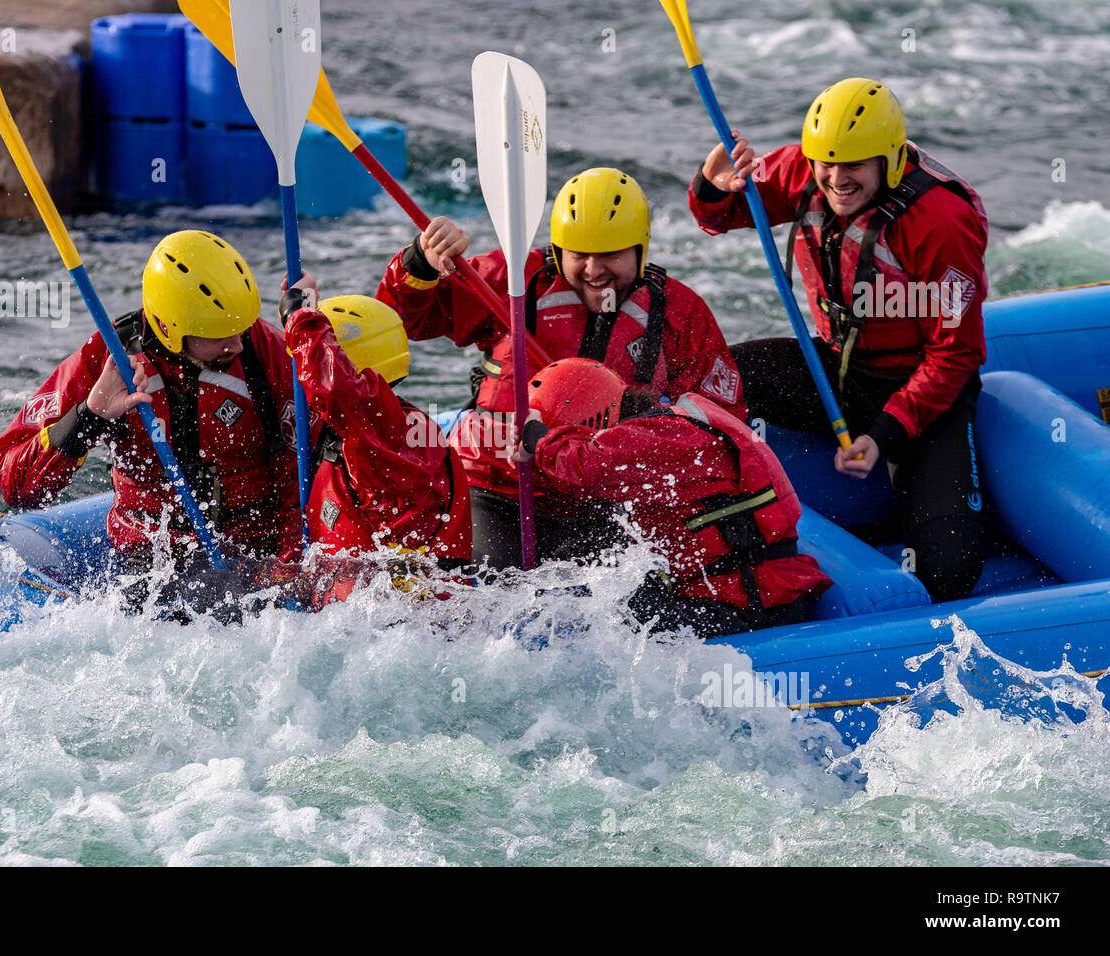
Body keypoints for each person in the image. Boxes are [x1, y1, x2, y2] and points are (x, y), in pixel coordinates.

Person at [688, 77, 989, 602]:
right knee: (711, 379)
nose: (834, 178)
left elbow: (956, 353)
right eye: (825, 161)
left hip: (922, 394)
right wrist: (713, 187)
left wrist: (886, 434)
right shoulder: (806, 172)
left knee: (949, 575)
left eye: (853, 165)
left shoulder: (941, 222)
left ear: (890, 161)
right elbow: (721, 216)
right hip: (836, 370)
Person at [377, 166, 747, 567]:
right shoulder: (514, 281)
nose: (594, 270)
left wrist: (642, 441)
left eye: (610, 254)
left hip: (603, 499)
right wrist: (421, 264)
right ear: (558, 250)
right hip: (497, 487)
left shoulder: (678, 312)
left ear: (640, 250)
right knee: (483, 588)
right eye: (579, 254)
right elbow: (403, 320)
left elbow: (720, 424)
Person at [0, 230, 303, 595]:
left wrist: (289, 565)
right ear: (171, 329)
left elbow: (303, 472)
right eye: (220, 334)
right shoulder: (108, 357)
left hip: (256, 555)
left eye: (241, 326)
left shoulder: (266, 353)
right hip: (151, 561)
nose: (237, 343)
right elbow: (16, 487)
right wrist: (90, 416)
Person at [513, 358, 831, 639]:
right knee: (577, 598)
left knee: (595, 629)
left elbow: (588, 466)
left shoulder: (662, 434)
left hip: (753, 604)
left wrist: (537, 438)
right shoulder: (656, 431)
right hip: (721, 592)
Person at [280, 278, 472, 567]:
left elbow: (337, 389)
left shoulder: (384, 434)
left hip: (403, 606)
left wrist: (301, 321)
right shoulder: (369, 430)